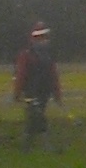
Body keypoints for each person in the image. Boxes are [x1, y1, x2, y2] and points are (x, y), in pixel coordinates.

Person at [13, 22, 64, 150]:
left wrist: (57, 93)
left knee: (35, 117)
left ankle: (28, 147)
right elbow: (21, 75)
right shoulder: (26, 55)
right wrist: (17, 93)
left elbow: (53, 75)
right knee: (36, 117)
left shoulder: (47, 55)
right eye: (42, 37)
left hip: (44, 92)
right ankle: (41, 146)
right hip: (32, 93)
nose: (45, 40)